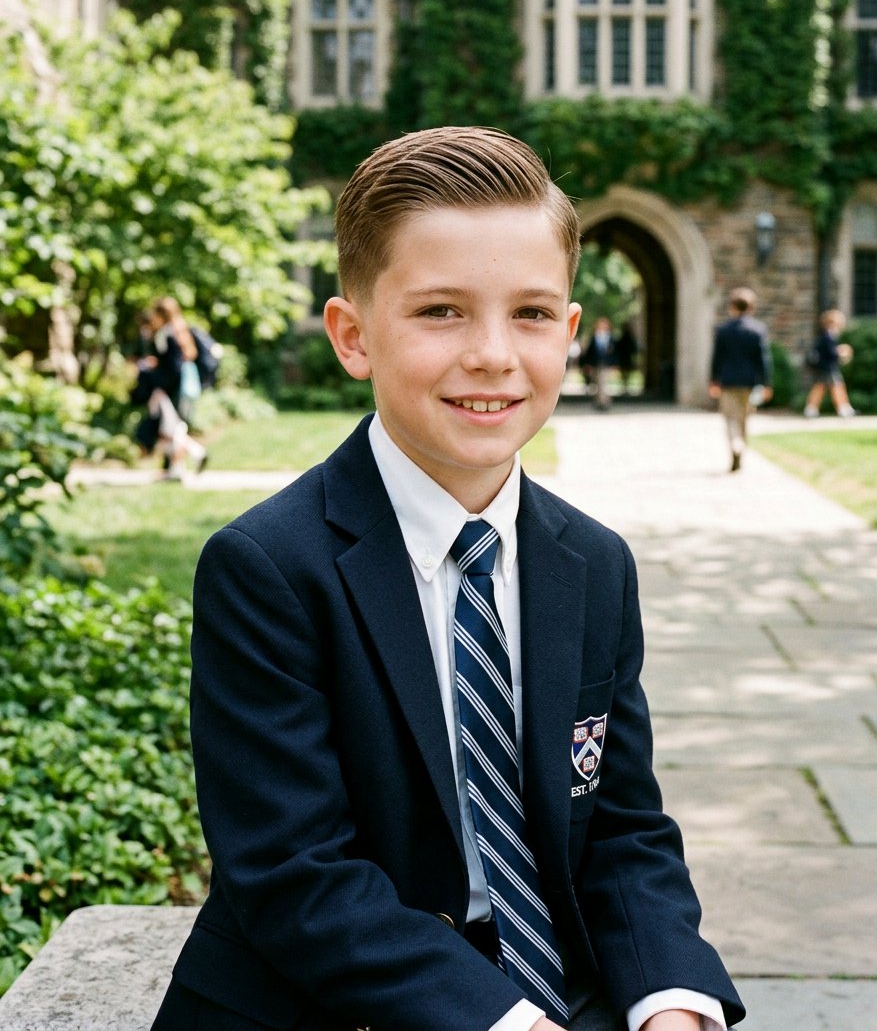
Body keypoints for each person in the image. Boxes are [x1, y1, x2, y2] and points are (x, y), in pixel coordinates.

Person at [152, 127, 744, 1031]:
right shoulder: (268, 568)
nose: (494, 354)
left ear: (572, 333)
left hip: (551, 978)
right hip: (328, 998)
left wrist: (671, 997)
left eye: (533, 314)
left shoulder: (594, 564)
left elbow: (621, 826)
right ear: (353, 337)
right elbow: (294, 874)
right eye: (441, 312)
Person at [133, 297, 207, 481]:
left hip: (173, 386)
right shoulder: (180, 329)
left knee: (173, 429)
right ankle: (177, 468)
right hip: (186, 382)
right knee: (173, 428)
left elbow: (172, 366)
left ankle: (195, 455)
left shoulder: (167, 334)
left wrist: (159, 384)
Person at [708, 287, 772, 473]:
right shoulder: (757, 330)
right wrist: (767, 382)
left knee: (729, 418)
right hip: (749, 382)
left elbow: (716, 358)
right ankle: (741, 444)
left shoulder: (724, 330)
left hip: (728, 381)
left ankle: (735, 443)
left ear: (733, 307)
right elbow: (763, 359)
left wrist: (713, 380)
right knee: (744, 418)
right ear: (751, 307)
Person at [803, 309, 856, 418]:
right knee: (834, 387)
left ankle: (812, 408)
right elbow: (829, 353)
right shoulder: (827, 337)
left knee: (824, 387)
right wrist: (840, 352)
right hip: (827, 368)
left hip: (828, 367)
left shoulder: (829, 336)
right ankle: (842, 408)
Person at [580, 316, 615, 410]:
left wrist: (614, 364)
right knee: (597, 384)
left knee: (603, 383)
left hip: (606, 364)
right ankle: (599, 401)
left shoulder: (610, 338)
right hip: (595, 364)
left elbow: (615, 353)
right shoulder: (594, 337)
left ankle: (604, 402)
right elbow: (589, 352)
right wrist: (587, 364)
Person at [613, 322, 640, 396]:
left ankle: (625, 386)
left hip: (625, 358)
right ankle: (625, 386)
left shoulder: (625, 338)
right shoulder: (629, 338)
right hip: (626, 358)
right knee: (626, 373)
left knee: (625, 373)